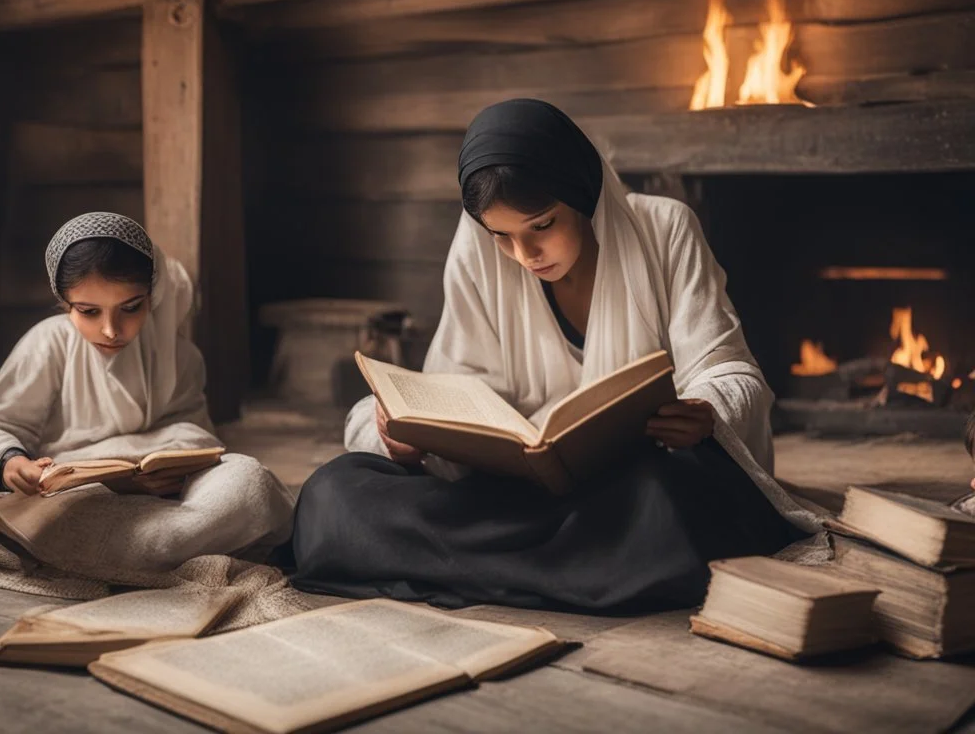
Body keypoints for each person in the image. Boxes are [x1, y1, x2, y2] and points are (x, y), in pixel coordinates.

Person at [286, 99, 821, 612]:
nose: (524, 255)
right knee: (332, 493)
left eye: (542, 225)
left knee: (670, 502)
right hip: (517, 498)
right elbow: (451, 392)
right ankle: (576, 572)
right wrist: (405, 440)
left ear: (583, 193)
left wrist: (705, 412)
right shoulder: (476, 246)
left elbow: (731, 372)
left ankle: (470, 569)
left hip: (629, 490)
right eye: (502, 236)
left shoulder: (665, 229)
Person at [0, 212, 293, 579]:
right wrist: (11, 463)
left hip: (162, 498)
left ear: (153, 295)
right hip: (79, 496)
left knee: (249, 480)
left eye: (131, 308)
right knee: (71, 517)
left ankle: (135, 554)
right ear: (64, 304)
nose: (110, 330)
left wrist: (162, 467)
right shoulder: (50, 343)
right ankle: (160, 552)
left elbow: (196, 432)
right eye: (88, 312)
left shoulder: (178, 355)